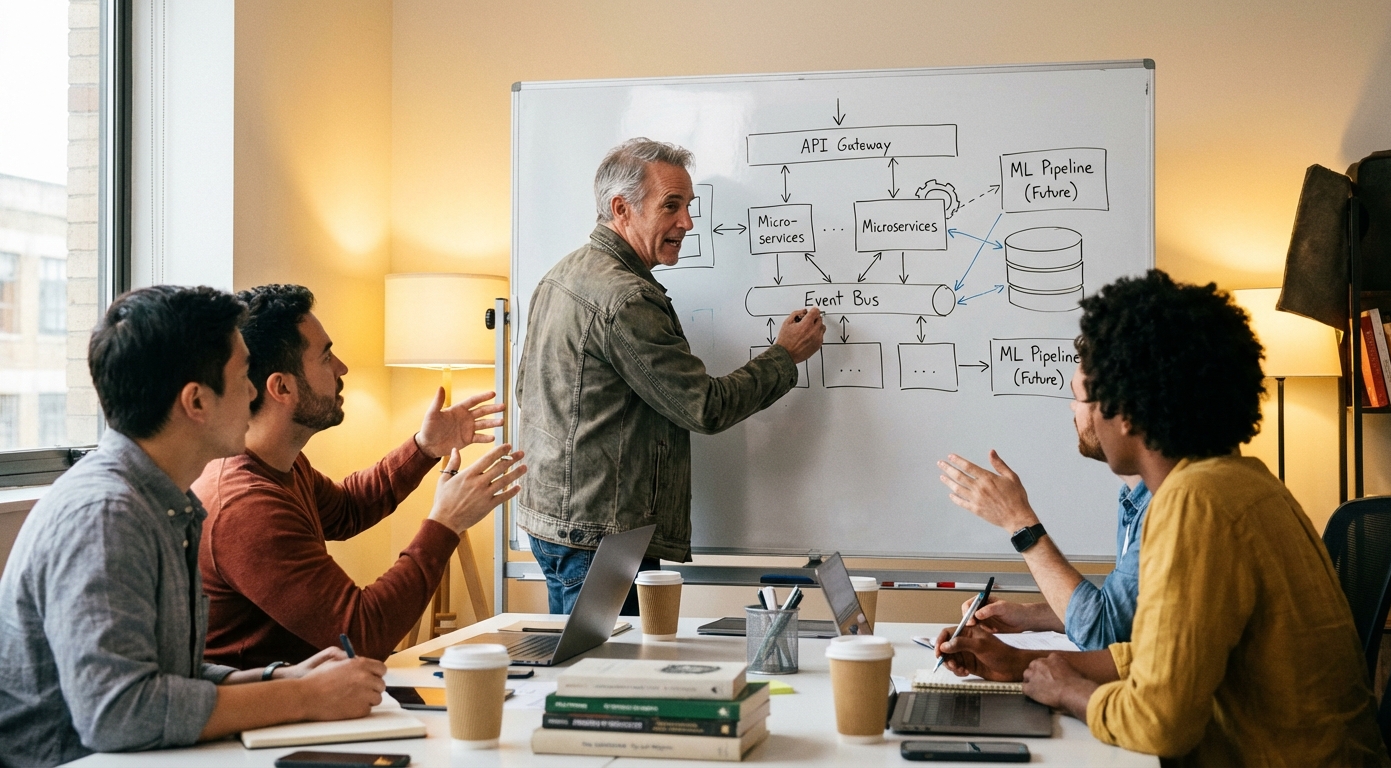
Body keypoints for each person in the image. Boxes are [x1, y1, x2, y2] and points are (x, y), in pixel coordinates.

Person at [933, 271, 1387, 766]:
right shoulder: (1239, 480)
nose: (1079, 415)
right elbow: (1156, 653)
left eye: (1086, 397)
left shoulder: (1197, 502)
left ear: (1125, 410)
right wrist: (1023, 663)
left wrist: (1070, 694)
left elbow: (1160, 721)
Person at [0, 286, 388, 768]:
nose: (253, 392)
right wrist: (304, 698)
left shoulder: (164, 499)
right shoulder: (105, 517)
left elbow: (164, 675)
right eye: (244, 374)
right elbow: (119, 713)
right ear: (196, 401)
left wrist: (279, 680)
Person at [516, 138, 826, 614]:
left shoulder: (561, 275)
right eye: (672, 206)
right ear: (622, 209)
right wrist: (784, 357)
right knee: (608, 680)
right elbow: (704, 407)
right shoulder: (626, 299)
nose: (687, 222)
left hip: (558, 524)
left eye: (688, 206)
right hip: (602, 538)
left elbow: (525, 391)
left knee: (582, 673)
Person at [195, 284, 525, 667]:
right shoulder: (245, 507)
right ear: (281, 387)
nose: (342, 369)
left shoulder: (279, 464)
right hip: (276, 720)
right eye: (325, 357)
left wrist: (423, 447)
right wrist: (446, 522)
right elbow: (363, 633)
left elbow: (346, 509)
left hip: (321, 695)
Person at [937, 451, 1148, 650]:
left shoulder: (1159, 511)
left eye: (1083, 408)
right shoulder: (1134, 501)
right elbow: (1120, 617)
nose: (1074, 412)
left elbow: (1106, 635)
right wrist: (1029, 616)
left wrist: (1018, 520)